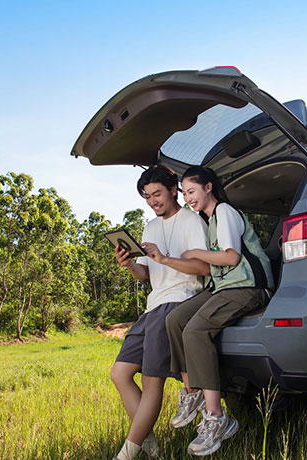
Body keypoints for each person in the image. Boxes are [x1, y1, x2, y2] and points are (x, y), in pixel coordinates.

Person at [165, 165, 275, 457]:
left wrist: (194, 254)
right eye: (184, 193)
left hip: (249, 287)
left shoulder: (224, 211)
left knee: (196, 330)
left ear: (208, 187)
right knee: (174, 319)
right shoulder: (209, 220)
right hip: (224, 288)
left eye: (191, 191)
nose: (188, 198)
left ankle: (216, 417)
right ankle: (192, 393)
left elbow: (231, 256)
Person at [110, 165, 210, 460]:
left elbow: (204, 268)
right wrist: (129, 264)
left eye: (157, 193)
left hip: (178, 302)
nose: (152, 201)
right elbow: (146, 274)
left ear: (173, 190)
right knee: (120, 373)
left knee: (152, 381)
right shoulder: (151, 226)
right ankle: (150, 445)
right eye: (147, 196)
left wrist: (165, 258)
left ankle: (127, 454)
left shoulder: (192, 221)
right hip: (153, 305)